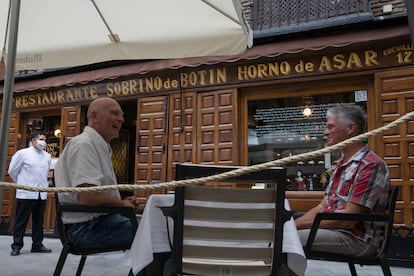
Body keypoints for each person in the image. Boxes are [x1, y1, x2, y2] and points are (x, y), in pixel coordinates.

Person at [295, 104, 391, 258]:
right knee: (286, 236)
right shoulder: (342, 163)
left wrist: (297, 226)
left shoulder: (370, 165)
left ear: (350, 128)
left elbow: (348, 221)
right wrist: (293, 225)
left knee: (286, 240)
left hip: (359, 240)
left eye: (331, 127)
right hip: (338, 232)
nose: (326, 132)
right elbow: (322, 206)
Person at [54, 97, 138, 249]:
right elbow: (88, 196)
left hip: (98, 222)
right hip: (85, 228)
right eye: (114, 113)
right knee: (157, 234)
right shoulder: (84, 144)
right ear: (94, 116)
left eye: (122, 115)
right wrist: (121, 204)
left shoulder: (99, 146)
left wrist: (122, 203)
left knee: (159, 231)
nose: (120, 119)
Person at [8, 130, 52, 256]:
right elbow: (12, 171)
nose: (43, 142)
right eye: (41, 139)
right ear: (33, 140)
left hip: (41, 193)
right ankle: (16, 246)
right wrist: (22, 184)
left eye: (44, 139)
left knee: (39, 221)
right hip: (26, 193)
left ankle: (37, 245)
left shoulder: (47, 156)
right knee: (21, 220)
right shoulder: (22, 154)